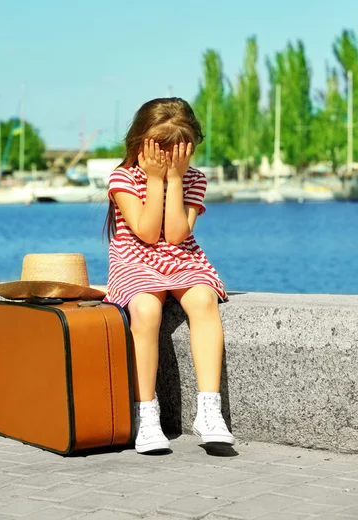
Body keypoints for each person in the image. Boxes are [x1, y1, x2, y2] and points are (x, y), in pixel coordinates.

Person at [103, 97, 234, 454]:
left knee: (205, 301)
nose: (168, 156)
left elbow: (176, 235)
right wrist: (156, 179)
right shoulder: (123, 178)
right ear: (139, 143)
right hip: (135, 259)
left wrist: (174, 179)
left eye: (178, 150)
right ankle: (146, 411)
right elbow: (146, 232)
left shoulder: (193, 180)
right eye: (160, 148)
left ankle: (209, 410)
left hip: (182, 258)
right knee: (146, 310)